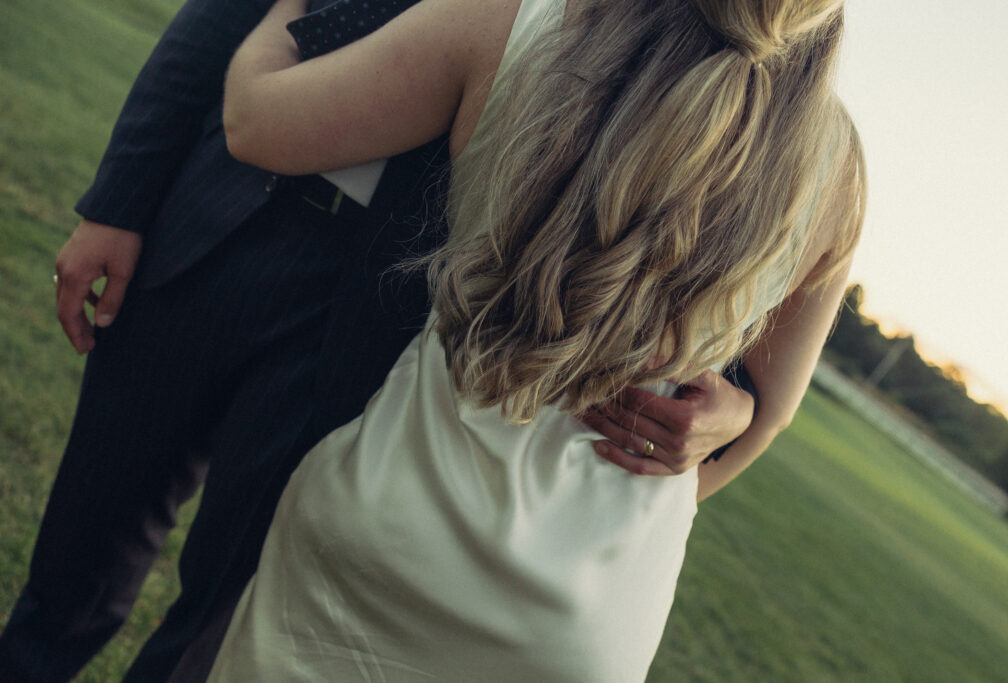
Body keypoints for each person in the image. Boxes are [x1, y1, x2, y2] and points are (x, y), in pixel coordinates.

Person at [0, 1, 756, 681]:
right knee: (73, 567)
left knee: (219, 618)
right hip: (212, 222)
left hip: (370, 325)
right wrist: (119, 201)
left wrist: (740, 400)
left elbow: (699, 212)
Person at [206, 0, 865, 680]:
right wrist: (652, 484)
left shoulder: (516, 24)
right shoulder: (836, 172)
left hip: (387, 532)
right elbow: (771, 413)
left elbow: (255, 123)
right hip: (590, 620)